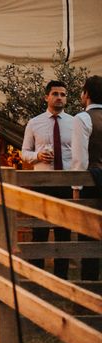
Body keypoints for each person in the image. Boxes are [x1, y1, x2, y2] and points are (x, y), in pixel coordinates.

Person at [22, 80, 75, 278]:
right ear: (46, 97)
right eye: (55, 94)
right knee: (39, 233)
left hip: (65, 184)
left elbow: (79, 153)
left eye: (63, 94)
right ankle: (37, 276)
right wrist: (38, 156)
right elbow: (24, 152)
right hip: (42, 184)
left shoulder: (73, 123)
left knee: (64, 233)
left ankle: (62, 278)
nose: (59, 97)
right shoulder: (34, 123)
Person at [70, 75, 102, 281]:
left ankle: (89, 288)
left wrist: (75, 189)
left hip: (92, 182)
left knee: (89, 236)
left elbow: (79, 159)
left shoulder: (82, 118)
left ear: (86, 94)